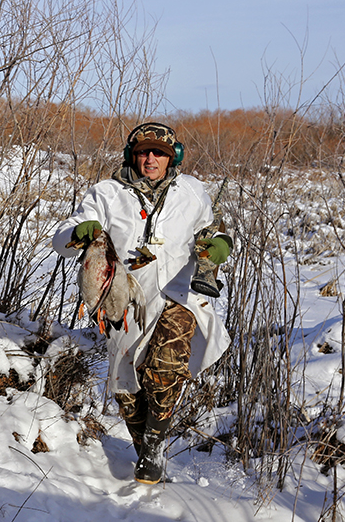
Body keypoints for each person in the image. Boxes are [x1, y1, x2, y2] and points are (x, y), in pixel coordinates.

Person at [52, 122, 232, 484]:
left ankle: (153, 448)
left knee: (165, 366)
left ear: (172, 157)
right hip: (125, 300)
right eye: (143, 151)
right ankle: (146, 452)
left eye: (159, 153)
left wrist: (219, 244)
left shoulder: (192, 192)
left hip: (180, 294)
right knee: (128, 391)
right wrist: (78, 233)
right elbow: (62, 238)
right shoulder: (107, 193)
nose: (151, 158)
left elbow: (210, 230)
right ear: (131, 155)